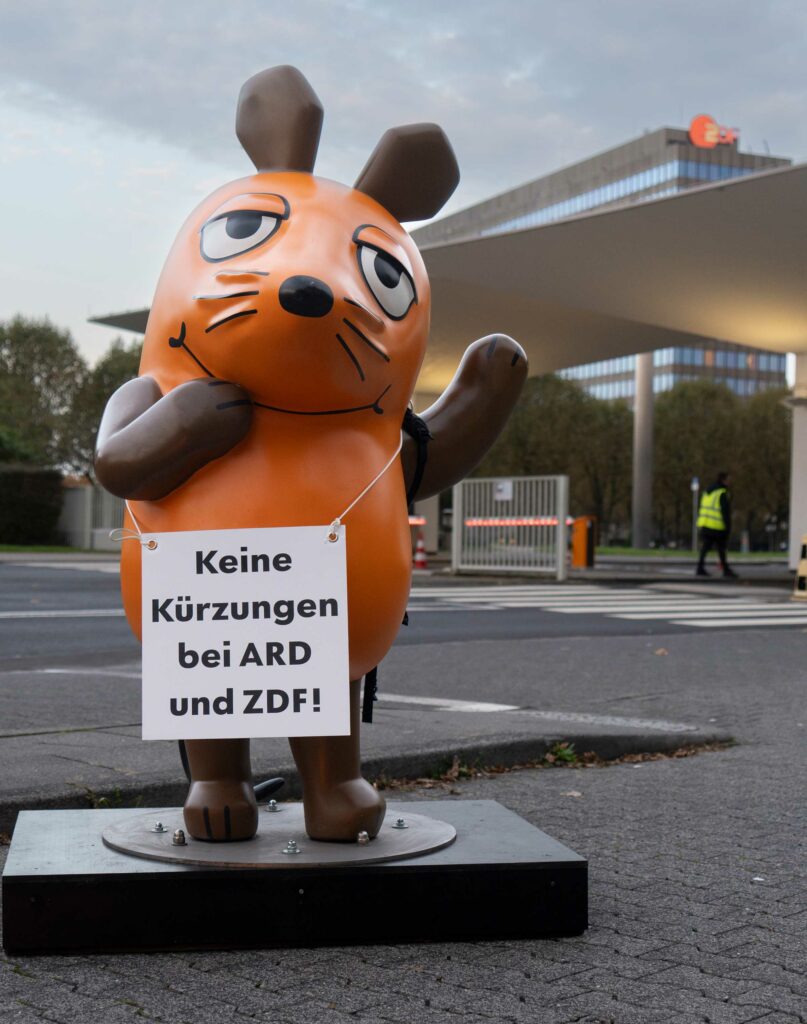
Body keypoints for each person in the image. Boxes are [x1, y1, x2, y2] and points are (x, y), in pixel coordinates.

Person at [696, 472, 737, 578]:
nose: (730, 482)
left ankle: (700, 567)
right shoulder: (722, 493)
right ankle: (726, 570)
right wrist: (728, 527)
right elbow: (725, 512)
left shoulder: (707, 491)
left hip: (705, 523)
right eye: (728, 479)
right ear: (723, 480)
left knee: (706, 548)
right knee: (721, 549)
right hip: (717, 525)